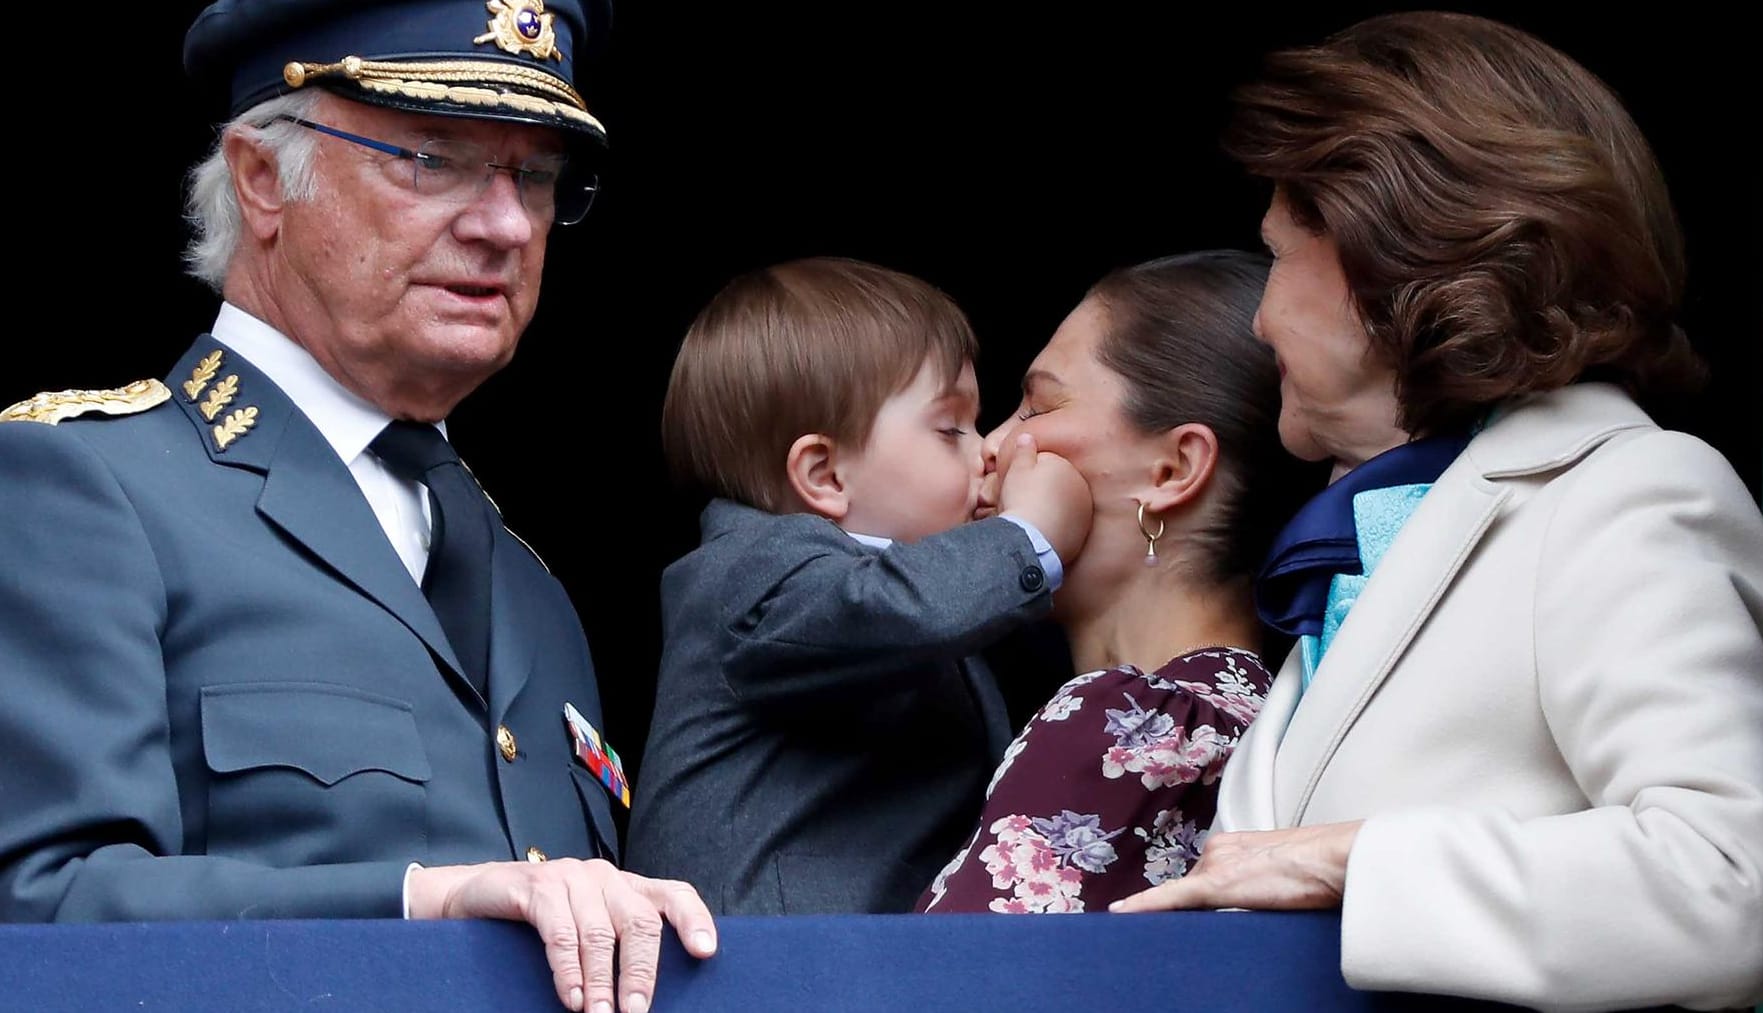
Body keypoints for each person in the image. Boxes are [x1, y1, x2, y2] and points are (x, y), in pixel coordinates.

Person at [0, 2, 713, 1011]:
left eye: (537, 176)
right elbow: (31, 913)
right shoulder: (81, 484)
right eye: (431, 157)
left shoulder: (528, 584)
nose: (505, 223)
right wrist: (425, 901)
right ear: (261, 181)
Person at [1112, 12, 1763, 1011]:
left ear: (1385, 255)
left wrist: (1355, 859)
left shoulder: (1626, 491)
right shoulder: (1374, 532)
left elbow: (1723, 884)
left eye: (1276, 260)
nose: (1257, 322)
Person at [627, 256, 1091, 914]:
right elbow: (903, 610)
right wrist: (1028, 533)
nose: (987, 447)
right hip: (754, 973)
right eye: (950, 427)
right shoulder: (755, 569)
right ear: (824, 473)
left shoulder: (908, 589)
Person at [916, 250, 1318, 914]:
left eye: (1036, 405)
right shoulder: (1274, 721)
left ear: (1172, 471)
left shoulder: (1124, 722)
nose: (989, 443)